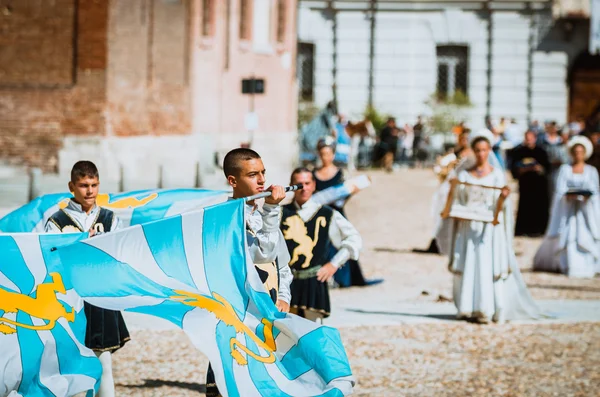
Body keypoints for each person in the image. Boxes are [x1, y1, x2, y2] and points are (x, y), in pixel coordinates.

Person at [206, 148, 293, 397]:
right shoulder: (222, 220)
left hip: (269, 320)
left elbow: (281, 264)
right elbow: (261, 254)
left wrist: (284, 298)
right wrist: (272, 210)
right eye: (253, 174)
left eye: (263, 172)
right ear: (233, 181)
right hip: (236, 320)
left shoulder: (264, 213)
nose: (262, 180)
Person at [436, 132, 542, 323]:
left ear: (489, 151)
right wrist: (455, 190)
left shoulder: (496, 175)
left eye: (484, 150)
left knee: (486, 263)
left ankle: (487, 306)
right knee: (470, 263)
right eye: (477, 150)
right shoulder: (464, 174)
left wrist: (503, 198)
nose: (481, 154)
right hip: (469, 225)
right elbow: (459, 199)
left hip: (488, 228)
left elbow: (501, 204)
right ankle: (468, 305)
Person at [45, 161, 129, 397]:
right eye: (83, 185)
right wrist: (78, 244)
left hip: (101, 297)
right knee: (69, 365)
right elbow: (50, 259)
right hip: (70, 300)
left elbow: (119, 254)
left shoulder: (110, 219)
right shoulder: (57, 222)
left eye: (94, 185)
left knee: (104, 364)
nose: (90, 191)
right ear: (72, 186)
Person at [281, 168, 362, 322]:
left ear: (313, 185)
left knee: (313, 332)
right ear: (291, 185)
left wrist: (334, 264)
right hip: (286, 284)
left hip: (314, 282)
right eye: (299, 184)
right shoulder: (280, 213)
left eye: (307, 183)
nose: (303, 188)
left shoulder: (326, 214)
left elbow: (354, 238)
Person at [313, 137, 380, 287]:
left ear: (333, 154)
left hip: (337, 214)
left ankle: (345, 278)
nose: (326, 157)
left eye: (328, 153)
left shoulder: (340, 174)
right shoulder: (313, 175)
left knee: (342, 243)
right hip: (320, 216)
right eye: (323, 154)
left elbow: (346, 192)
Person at [534, 136, 599, 277]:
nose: (578, 155)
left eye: (580, 152)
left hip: (584, 212)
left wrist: (587, 197)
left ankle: (587, 266)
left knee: (585, 236)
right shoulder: (565, 170)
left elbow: (595, 192)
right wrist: (568, 196)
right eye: (575, 151)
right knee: (568, 237)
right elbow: (559, 190)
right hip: (568, 211)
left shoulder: (591, 171)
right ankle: (567, 264)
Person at [511, 130, 551, 237]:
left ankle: (538, 230)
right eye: (527, 138)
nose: (529, 141)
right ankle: (524, 229)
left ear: (535, 138)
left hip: (539, 185)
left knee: (539, 207)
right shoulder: (519, 151)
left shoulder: (541, 151)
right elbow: (514, 168)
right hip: (525, 185)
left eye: (531, 138)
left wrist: (539, 168)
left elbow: (547, 168)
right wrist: (522, 170)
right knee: (525, 207)